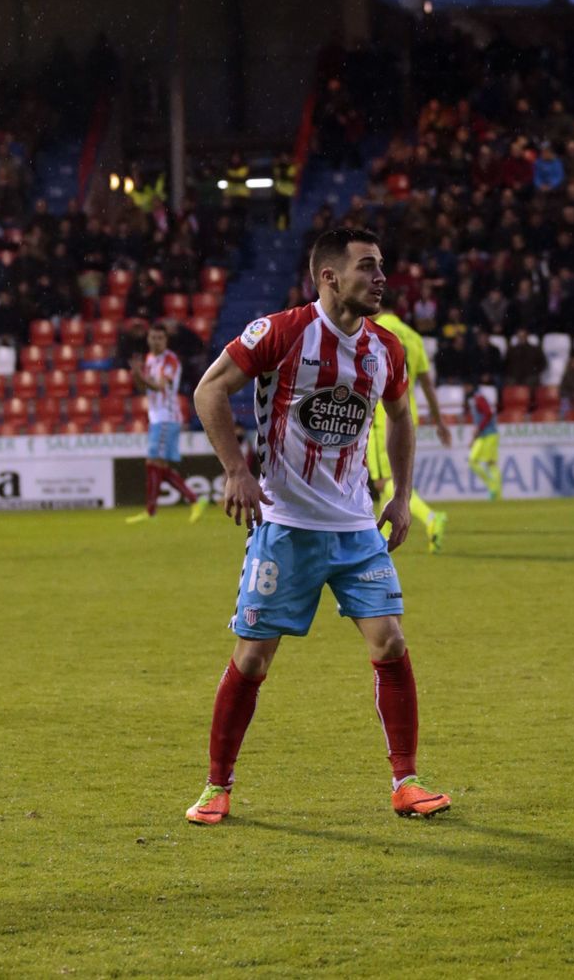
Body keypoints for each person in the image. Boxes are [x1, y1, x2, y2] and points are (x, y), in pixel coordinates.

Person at [184, 226, 450, 826]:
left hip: (357, 530)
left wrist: (403, 497)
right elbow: (209, 390)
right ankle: (216, 787)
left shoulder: (386, 347)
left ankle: (406, 781)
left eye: (382, 266)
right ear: (328, 277)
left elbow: (401, 415)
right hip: (285, 526)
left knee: (392, 643)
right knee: (253, 659)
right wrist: (235, 471)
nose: (381, 278)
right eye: (367, 267)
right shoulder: (281, 332)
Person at [366, 289, 453, 552]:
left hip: (382, 416)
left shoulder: (372, 331)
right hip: (406, 413)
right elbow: (427, 384)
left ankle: (430, 517)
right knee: (390, 483)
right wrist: (439, 422)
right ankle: (381, 543)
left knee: (384, 482)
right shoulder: (414, 337)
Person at [126, 322, 210, 524]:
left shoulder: (170, 361)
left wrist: (139, 375)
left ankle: (153, 510)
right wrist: (136, 375)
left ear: (166, 340)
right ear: (148, 339)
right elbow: (142, 387)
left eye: (159, 338)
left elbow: (159, 387)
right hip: (156, 417)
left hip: (167, 417)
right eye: (153, 337)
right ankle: (193, 500)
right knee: (158, 466)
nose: (155, 341)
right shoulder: (149, 359)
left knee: (153, 463)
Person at [465, 386, 502, 500]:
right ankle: (494, 489)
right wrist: (473, 438)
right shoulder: (476, 400)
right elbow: (484, 416)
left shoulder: (478, 399)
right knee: (475, 461)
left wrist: (479, 429)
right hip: (484, 435)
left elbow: (488, 413)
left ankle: (496, 492)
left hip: (489, 435)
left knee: (490, 463)